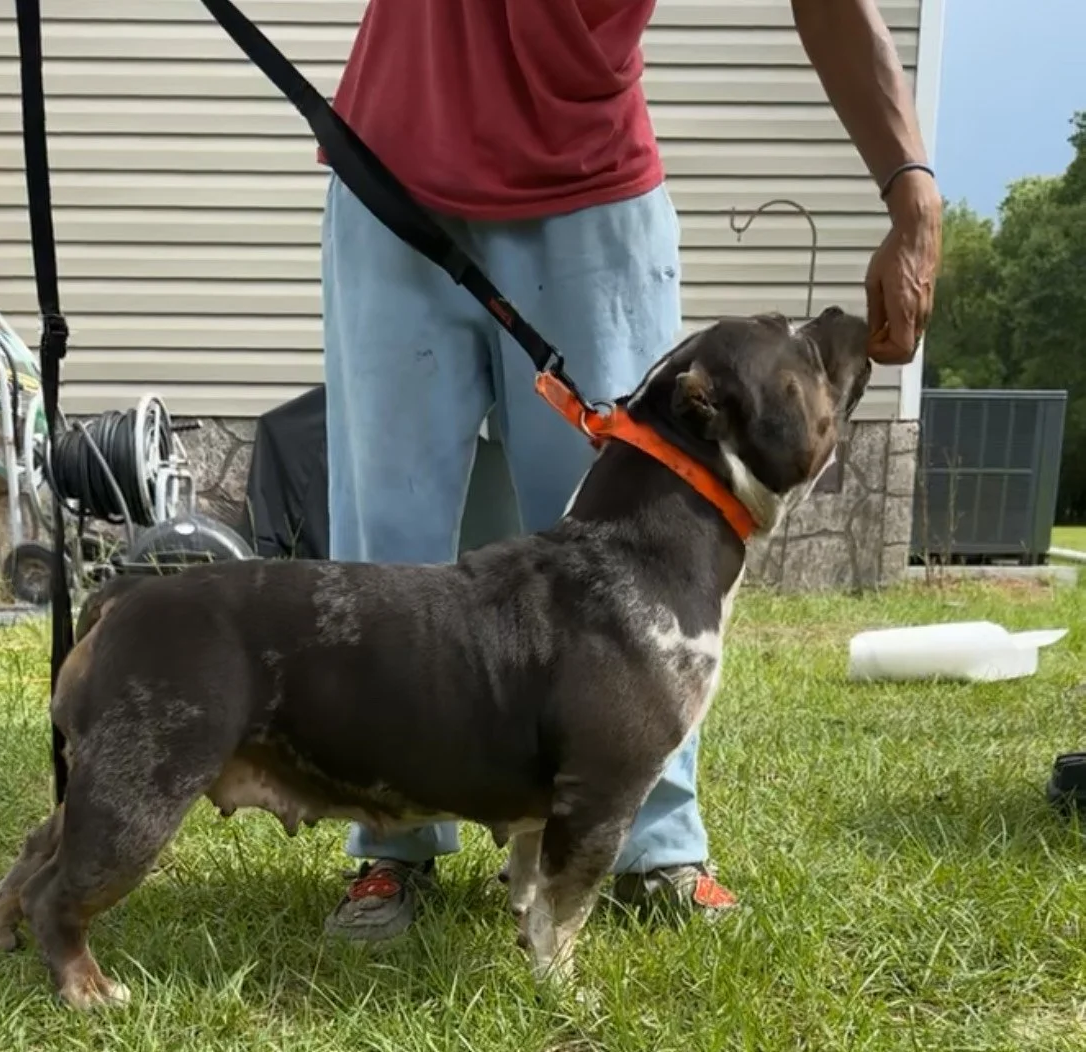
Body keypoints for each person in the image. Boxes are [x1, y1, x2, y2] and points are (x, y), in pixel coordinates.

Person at [318, 0, 942, 942]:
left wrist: (911, 192)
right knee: (390, 538)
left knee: (641, 549)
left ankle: (652, 845)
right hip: (393, 169)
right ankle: (391, 846)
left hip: (588, 184)